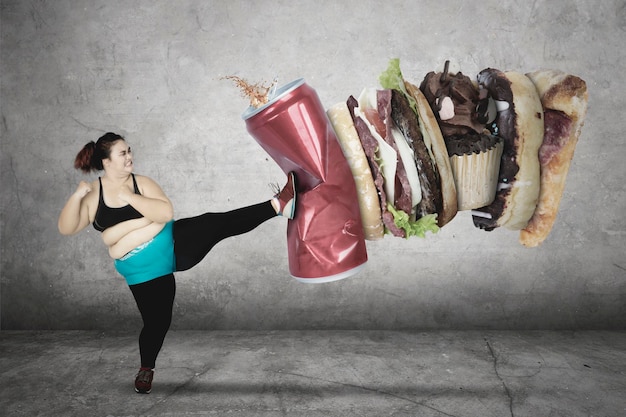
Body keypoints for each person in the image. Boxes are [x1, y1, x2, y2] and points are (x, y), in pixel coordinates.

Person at [58, 132, 297, 394]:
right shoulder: (94, 194)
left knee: (215, 223)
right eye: (123, 153)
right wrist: (77, 196)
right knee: (157, 323)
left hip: (175, 243)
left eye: (130, 151)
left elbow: (165, 213)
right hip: (146, 273)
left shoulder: (141, 183)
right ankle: (145, 370)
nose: (130, 157)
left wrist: (130, 201)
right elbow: (68, 227)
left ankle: (278, 205)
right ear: (106, 161)